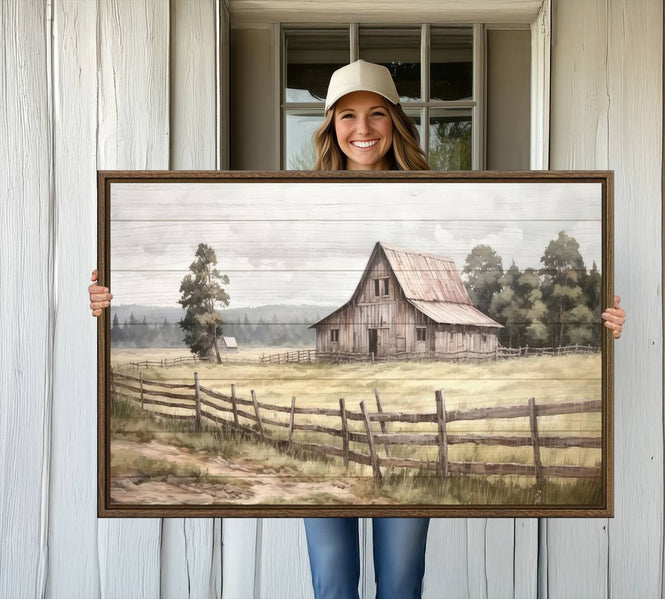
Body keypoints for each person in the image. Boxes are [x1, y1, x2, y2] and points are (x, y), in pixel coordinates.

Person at [88, 60, 627, 599]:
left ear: (395, 122)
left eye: (376, 115)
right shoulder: (302, 198)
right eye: (348, 116)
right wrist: (108, 299)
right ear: (330, 125)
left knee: (400, 583)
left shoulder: (436, 196)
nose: (362, 129)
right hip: (328, 466)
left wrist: (604, 325)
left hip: (404, 439)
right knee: (332, 583)